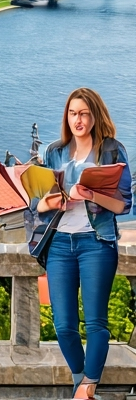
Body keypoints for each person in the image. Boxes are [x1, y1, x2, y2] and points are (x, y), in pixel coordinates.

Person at [34, 88, 131, 399]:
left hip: (97, 243)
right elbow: (36, 205)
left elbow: (123, 206)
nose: (78, 119)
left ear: (95, 116)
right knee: (63, 325)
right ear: (67, 117)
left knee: (95, 323)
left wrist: (89, 194)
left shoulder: (113, 151)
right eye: (73, 113)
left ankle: (86, 388)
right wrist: (52, 202)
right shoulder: (54, 152)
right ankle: (83, 384)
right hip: (60, 243)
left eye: (84, 113)